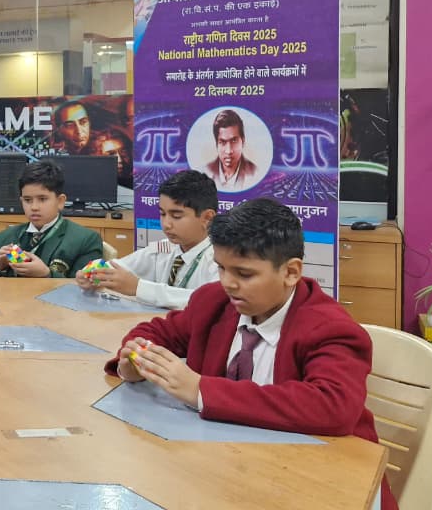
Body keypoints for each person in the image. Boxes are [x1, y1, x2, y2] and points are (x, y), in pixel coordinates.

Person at [105, 198, 397, 510]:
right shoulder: (214, 301)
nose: (228, 283)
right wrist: (134, 360)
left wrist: (201, 390)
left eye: (244, 274)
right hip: (232, 471)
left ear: (291, 272)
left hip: (323, 483)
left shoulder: (330, 328)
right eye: (221, 268)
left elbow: (333, 406)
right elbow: (157, 332)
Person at [80, 170, 219, 309]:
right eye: (162, 214)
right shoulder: (164, 248)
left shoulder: (220, 259)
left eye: (176, 216)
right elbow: (119, 266)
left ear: (207, 218)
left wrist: (138, 288)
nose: (166, 224)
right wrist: (90, 272)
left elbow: (207, 301)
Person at [0, 160, 103, 277]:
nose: (34, 207)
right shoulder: (4, 238)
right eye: (27, 200)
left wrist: (48, 274)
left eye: (42, 199)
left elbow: (86, 287)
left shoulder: (86, 240)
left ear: (60, 201)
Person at [206, 109, 259, 191]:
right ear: (216, 144)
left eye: (234, 141)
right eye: (222, 142)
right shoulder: (204, 172)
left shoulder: (256, 174)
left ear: (243, 141)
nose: (229, 151)